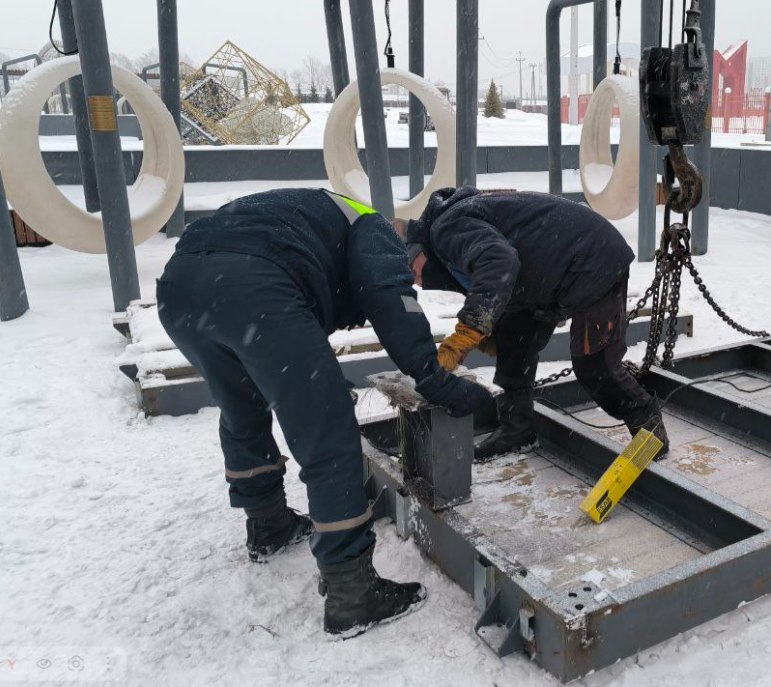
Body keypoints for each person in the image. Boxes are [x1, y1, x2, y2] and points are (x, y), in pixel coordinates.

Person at [156, 188, 492, 638]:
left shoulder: (313, 217)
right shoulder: (377, 229)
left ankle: (269, 525)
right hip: (256, 287)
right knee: (328, 433)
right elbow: (393, 303)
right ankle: (353, 592)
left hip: (182, 288)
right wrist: (435, 381)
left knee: (242, 407)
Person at [395, 186, 669, 462]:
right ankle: (518, 429)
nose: (417, 279)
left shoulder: (445, 232)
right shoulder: (448, 231)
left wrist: (469, 330)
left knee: (594, 364)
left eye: (412, 268)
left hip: (592, 261)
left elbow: (499, 262)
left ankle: (647, 424)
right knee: (514, 338)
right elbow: (498, 276)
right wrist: (493, 326)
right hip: (552, 271)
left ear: (417, 249)